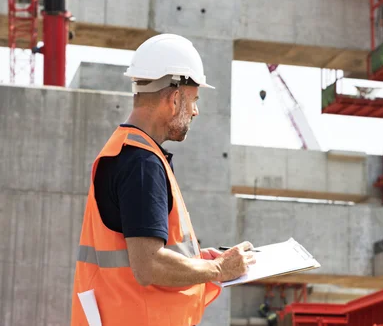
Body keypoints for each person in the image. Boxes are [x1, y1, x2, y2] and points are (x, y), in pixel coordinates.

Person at [70, 34, 255, 326]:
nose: (196, 111)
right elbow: (149, 264)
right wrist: (219, 269)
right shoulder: (142, 164)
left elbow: (142, 252)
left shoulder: (125, 150)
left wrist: (201, 259)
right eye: (194, 100)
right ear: (175, 98)